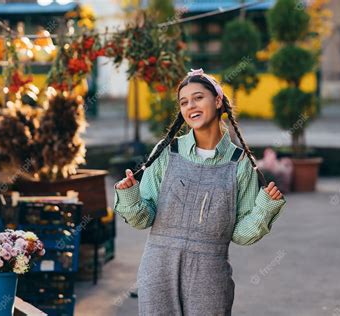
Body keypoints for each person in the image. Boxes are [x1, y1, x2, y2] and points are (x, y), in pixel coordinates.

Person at [113, 68, 286, 315]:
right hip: (158, 268)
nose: (190, 106)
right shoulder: (166, 152)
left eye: (198, 97)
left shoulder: (240, 163)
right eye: (184, 102)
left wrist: (265, 208)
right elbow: (145, 218)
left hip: (210, 275)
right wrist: (130, 194)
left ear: (217, 101)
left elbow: (240, 234)